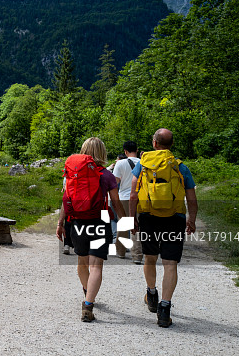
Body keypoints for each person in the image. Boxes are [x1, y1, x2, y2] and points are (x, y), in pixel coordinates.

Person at [130, 128, 198, 328]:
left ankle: (151, 295)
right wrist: (191, 220)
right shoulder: (180, 166)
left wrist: (132, 218)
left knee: (150, 257)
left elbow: (133, 195)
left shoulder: (142, 164)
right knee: (170, 264)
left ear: (154, 143)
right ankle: (165, 308)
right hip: (174, 218)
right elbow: (192, 198)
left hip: (148, 216)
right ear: (171, 144)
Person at [56, 137, 126, 322]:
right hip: (100, 221)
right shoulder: (106, 175)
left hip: (77, 222)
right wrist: (126, 220)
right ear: (102, 152)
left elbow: (66, 199)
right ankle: (88, 305)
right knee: (96, 266)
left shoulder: (72, 174)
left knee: (82, 262)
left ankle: (88, 292)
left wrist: (60, 223)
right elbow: (116, 202)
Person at [112, 141, 142, 262]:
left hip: (124, 197)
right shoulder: (143, 162)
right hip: (140, 197)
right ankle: (137, 256)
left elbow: (115, 182)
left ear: (125, 151)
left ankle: (121, 252)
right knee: (138, 226)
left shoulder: (121, 163)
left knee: (123, 224)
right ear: (137, 149)